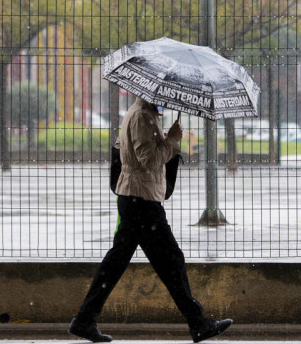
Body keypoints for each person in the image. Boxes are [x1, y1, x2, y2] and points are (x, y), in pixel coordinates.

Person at [69, 97, 233, 344]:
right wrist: (172, 141)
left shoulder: (141, 114)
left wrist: (164, 139)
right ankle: (198, 323)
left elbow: (138, 154)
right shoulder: (142, 117)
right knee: (171, 260)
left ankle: (84, 319)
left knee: (117, 262)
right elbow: (150, 161)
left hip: (135, 198)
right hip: (142, 201)